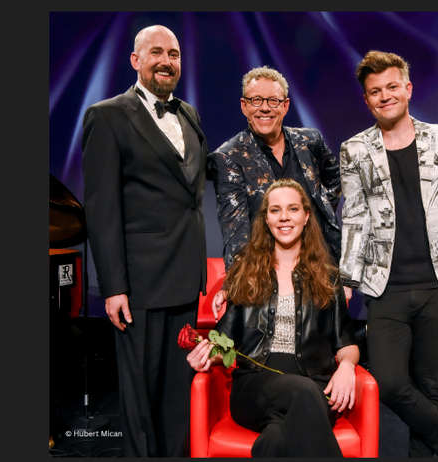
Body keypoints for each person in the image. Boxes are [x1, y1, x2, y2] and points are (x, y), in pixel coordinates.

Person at [337, 50, 438, 458]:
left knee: (428, 386)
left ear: (407, 88)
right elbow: (354, 219)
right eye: (374, 92)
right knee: (388, 382)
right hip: (384, 287)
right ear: (367, 100)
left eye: (391, 87)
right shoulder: (354, 150)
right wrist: (348, 279)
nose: (384, 96)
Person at [80, 24, 209, 458]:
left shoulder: (188, 113)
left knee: (178, 395)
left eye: (173, 53)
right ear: (135, 60)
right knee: (139, 398)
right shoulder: (108, 115)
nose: (166, 61)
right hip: (139, 284)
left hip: (184, 278)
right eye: (156, 52)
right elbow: (101, 209)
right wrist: (113, 286)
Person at [186, 178, 359, 458]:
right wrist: (206, 356)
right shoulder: (247, 273)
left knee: (276, 440)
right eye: (275, 210)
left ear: (306, 216)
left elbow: (347, 343)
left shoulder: (329, 277)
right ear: (266, 219)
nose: (284, 218)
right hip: (254, 388)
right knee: (302, 394)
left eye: (292, 209)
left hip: (315, 388)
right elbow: (224, 342)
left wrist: (348, 367)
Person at [208, 66, 342, 318]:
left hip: (319, 266)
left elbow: (334, 182)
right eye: (256, 100)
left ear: (286, 106)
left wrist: (308, 221)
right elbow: (234, 228)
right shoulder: (229, 156)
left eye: (273, 101)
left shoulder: (310, 141)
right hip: (265, 274)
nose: (265, 108)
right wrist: (235, 284)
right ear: (244, 106)